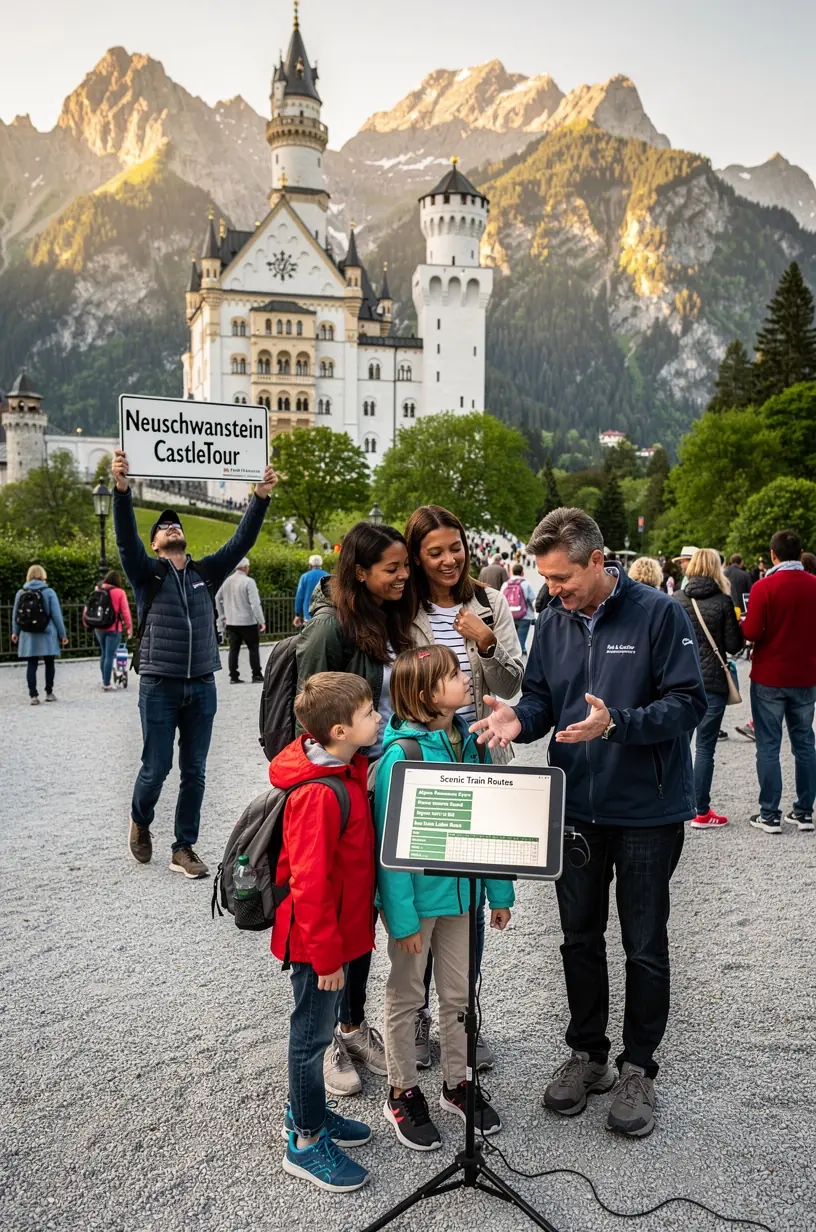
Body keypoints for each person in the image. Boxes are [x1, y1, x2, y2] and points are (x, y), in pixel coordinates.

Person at [472, 507, 706, 1138]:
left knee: (644, 943)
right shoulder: (553, 620)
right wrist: (519, 718)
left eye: (562, 578)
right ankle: (588, 1054)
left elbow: (689, 702)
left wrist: (618, 724)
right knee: (578, 937)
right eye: (547, 579)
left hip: (647, 811)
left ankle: (638, 1068)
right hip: (575, 806)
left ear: (597, 561)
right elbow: (543, 699)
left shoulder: (659, 613)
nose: (552, 590)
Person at [112, 448, 277, 879]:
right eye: (163, 527)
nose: (171, 527)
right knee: (156, 767)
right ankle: (140, 818)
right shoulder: (147, 574)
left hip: (202, 683)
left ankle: (183, 847)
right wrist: (122, 490)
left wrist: (260, 497)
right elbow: (125, 539)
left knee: (195, 770)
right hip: (159, 683)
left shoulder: (207, 573)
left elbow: (241, 541)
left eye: (176, 525)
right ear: (155, 544)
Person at [374, 646, 513, 1150]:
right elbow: (389, 849)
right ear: (427, 694)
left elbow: (491, 821)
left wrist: (499, 891)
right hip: (417, 905)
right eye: (453, 675)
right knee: (407, 997)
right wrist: (402, 920)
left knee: (459, 995)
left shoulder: (472, 743)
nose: (465, 679)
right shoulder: (401, 756)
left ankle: (458, 1082)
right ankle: (402, 1091)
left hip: (462, 898)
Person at [295, 521, 415, 1095]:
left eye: (405, 565)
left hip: (378, 780)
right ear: (360, 572)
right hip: (343, 788)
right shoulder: (330, 626)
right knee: (333, 904)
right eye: (393, 568)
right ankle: (323, 1038)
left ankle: (351, 1021)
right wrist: (331, 786)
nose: (404, 575)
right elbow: (311, 714)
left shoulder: (389, 616)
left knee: (362, 908)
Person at [405, 505, 523, 1068]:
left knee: (469, 895)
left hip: (481, 760)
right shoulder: (404, 608)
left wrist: (487, 644)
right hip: (424, 764)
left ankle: (461, 1016)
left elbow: (515, 684)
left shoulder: (490, 602)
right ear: (416, 557)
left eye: (455, 547)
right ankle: (418, 1015)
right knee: (427, 891)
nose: (449, 560)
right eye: (435, 552)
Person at [273, 672, 378, 1193]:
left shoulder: (346, 768)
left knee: (318, 1028)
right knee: (311, 1037)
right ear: (340, 731)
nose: (378, 719)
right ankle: (305, 1140)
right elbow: (309, 884)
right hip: (320, 945)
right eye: (369, 713)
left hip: (338, 935)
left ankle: (307, 1111)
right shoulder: (318, 793)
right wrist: (327, 957)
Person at [741, 529, 816, 833]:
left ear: (773, 555)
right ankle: (804, 811)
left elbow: (751, 632)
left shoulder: (764, 587)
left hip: (770, 676)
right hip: (806, 675)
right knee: (805, 743)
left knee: (768, 745)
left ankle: (769, 813)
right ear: (800, 554)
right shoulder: (813, 585)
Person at [674, 549, 744, 828]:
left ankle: (674, 805)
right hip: (713, 682)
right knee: (705, 748)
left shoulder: (677, 599)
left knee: (679, 745)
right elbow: (734, 645)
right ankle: (700, 811)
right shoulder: (723, 601)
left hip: (681, 682)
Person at [11, 565, 68, 704]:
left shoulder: (21, 592)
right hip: (47, 631)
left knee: (32, 664)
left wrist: (15, 632)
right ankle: (49, 692)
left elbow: (16, 614)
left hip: (28, 633)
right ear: (43, 575)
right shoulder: (49, 592)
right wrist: (62, 634)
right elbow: (56, 615)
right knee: (49, 663)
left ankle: (33, 695)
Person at [215, 557, 266, 684]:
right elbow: (255, 603)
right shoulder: (249, 582)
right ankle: (256, 674)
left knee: (234, 649)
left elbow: (217, 598)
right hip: (248, 621)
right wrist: (261, 620)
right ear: (245, 568)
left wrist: (222, 614)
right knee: (253, 648)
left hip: (231, 621)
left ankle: (233, 675)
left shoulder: (227, 581)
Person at [85, 570, 133, 691]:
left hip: (99, 627)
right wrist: (129, 627)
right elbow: (125, 612)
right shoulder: (120, 592)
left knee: (104, 654)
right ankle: (106, 683)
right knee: (110, 655)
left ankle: (104, 679)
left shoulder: (98, 589)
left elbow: (89, 606)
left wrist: (86, 621)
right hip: (114, 627)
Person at [501, 562, 537, 654]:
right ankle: (522, 651)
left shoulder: (505, 584)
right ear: (522, 573)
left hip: (509, 616)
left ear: (512, 572)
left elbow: (501, 600)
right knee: (522, 639)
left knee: (512, 638)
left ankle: (513, 653)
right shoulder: (526, 584)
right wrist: (534, 614)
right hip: (525, 616)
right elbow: (532, 600)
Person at [293, 555, 329, 628]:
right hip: (325, 614)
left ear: (310, 564)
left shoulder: (305, 577)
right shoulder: (327, 576)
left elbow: (299, 597)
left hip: (308, 614)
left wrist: (297, 614)